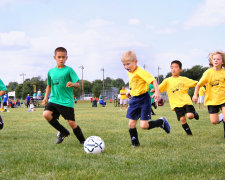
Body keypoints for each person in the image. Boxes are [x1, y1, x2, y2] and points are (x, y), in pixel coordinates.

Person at [121, 51, 170, 148]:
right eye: (124, 65)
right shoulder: (130, 72)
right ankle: (135, 143)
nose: (126, 67)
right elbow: (135, 84)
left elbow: (153, 80)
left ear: (135, 62)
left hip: (144, 100)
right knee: (131, 123)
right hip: (134, 100)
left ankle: (161, 122)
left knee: (144, 126)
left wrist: (157, 92)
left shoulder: (141, 72)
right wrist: (129, 91)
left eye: (128, 64)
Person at [42, 47, 85, 144]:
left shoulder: (69, 70)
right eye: (59, 57)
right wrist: (45, 98)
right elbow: (49, 86)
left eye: (63, 57)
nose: (61, 59)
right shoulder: (51, 71)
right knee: (46, 114)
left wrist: (72, 84)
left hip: (66, 101)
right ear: (55, 57)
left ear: (67, 58)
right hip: (54, 99)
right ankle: (63, 132)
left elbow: (77, 84)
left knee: (71, 123)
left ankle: (83, 142)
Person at [159, 60, 199, 136]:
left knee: (190, 116)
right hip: (176, 104)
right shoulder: (167, 81)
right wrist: (154, 90)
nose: (173, 69)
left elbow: (197, 83)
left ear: (180, 69)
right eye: (172, 67)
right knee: (182, 119)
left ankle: (194, 113)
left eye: (176, 67)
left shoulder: (184, 79)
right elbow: (159, 88)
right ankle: (189, 134)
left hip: (186, 101)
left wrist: (204, 83)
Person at [192, 51, 225, 138]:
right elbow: (198, 85)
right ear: (211, 61)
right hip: (212, 100)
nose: (216, 60)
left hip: (223, 98)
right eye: (214, 59)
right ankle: (221, 116)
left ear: (222, 61)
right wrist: (195, 95)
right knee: (214, 121)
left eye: (218, 59)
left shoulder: (224, 72)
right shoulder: (208, 73)